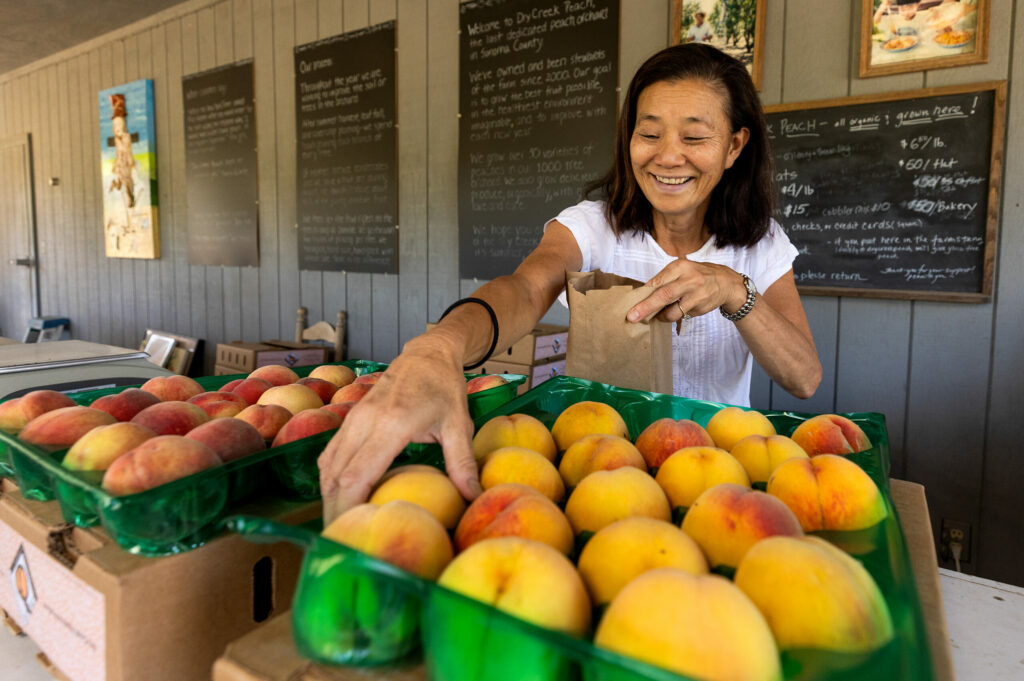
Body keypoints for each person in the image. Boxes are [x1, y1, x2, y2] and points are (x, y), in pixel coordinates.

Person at [318, 43, 822, 522]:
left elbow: (804, 378)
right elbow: (525, 288)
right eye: (649, 135)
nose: (668, 157)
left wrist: (737, 291)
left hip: (719, 481)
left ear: (734, 146)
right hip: (602, 473)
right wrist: (439, 347)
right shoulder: (591, 226)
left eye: (694, 138)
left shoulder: (760, 246)